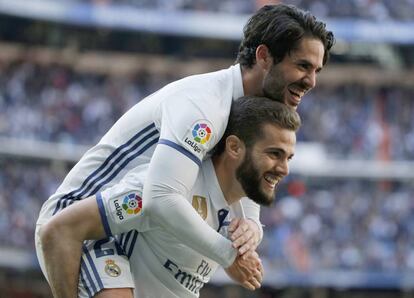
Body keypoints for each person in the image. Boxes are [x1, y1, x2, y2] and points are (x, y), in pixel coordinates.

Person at [35, 3, 334, 297]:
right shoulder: (204, 107)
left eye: (316, 70)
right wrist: (228, 255)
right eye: (303, 66)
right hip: (85, 222)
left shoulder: (247, 112)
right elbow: (161, 197)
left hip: (135, 228)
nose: (311, 81)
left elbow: (246, 166)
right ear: (264, 56)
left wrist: (252, 224)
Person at [39, 96, 301, 297]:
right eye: (274, 154)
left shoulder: (241, 216)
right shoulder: (166, 190)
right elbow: (59, 229)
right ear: (234, 147)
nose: (284, 169)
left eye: (288, 157)